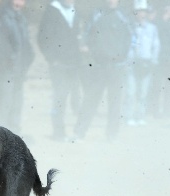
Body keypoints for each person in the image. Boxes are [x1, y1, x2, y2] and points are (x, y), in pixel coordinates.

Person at [73, 0, 133, 141]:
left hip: (117, 67)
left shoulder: (123, 15)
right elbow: (86, 32)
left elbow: (132, 37)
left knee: (114, 103)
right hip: (99, 66)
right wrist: (85, 46)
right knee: (90, 100)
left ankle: (111, 135)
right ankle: (79, 132)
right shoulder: (96, 13)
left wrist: (124, 57)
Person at [37, 0, 83, 141]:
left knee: (75, 97)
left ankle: (74, 131)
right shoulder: (52, 11)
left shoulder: (75, 11)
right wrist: (52, 59)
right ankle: (58, 131)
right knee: (59, 98)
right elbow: (42, 37)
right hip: (59, 64)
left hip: (74, 63)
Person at [125, 3, 160, 126]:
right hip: (132, 63)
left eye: (143, 11)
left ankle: (140, 116)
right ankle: (128, 116)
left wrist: (153, 61)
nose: (141, 14)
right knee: (130, 91)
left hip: (146, 63)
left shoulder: (152, 28)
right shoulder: (130, 27)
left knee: (143, 92)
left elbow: (155, 45)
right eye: (138, 11)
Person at [6, 0, 34, 134]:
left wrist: (29, 58)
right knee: (6, 100)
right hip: (8, 67)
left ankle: (15, 130)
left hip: (20, 67)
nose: (18, 3)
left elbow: (25, 43)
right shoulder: (5, 17)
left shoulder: (21, 19)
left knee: (17, 100)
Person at [148, 4, 170, 118]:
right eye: (167, 9)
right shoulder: (157, 23)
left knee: (169, 86)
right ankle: (154, 110)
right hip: (159, 60)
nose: (169, 11)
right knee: (156, 85)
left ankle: (167, 110)